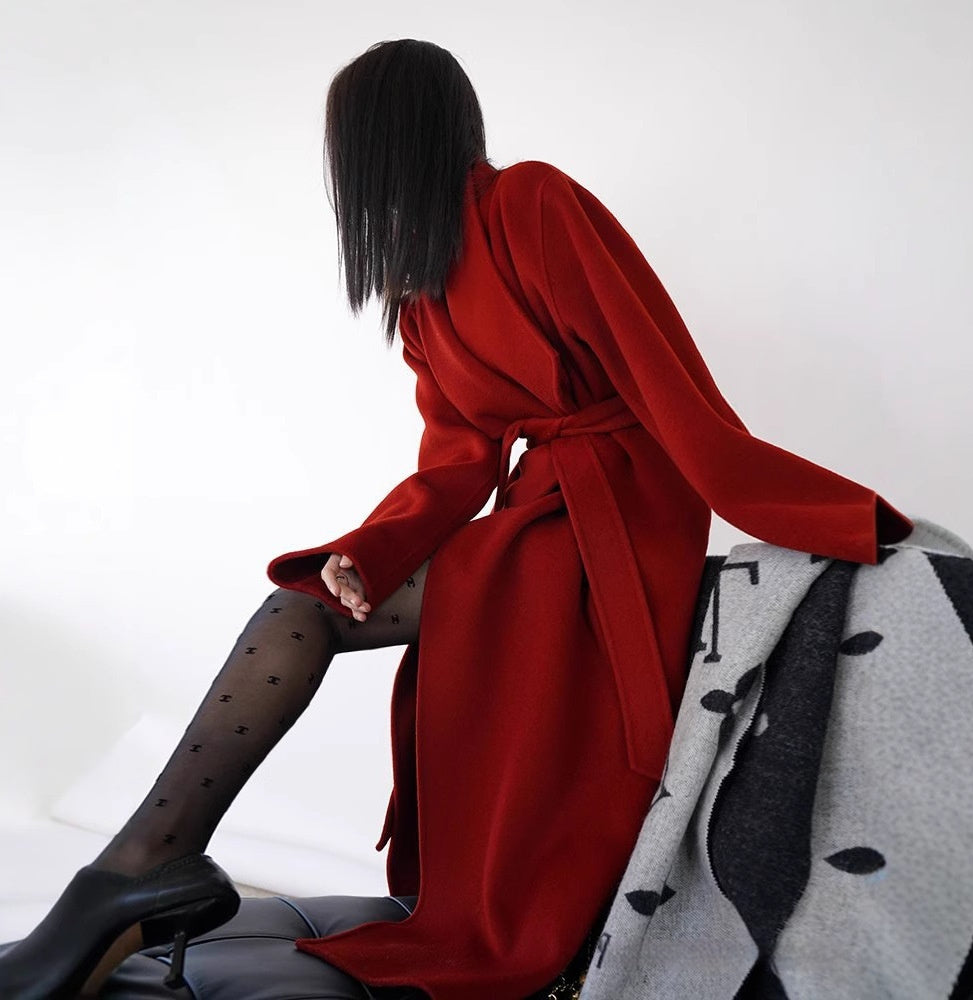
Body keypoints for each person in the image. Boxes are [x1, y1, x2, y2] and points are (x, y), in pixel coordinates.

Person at [0, 37, 914, 1000]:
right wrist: (366, 552)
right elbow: (456, 463)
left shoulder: (534, 203)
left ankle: (137, 870)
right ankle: (142, 866)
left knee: (311, 615)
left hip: (620, 514)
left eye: (346, 142)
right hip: (534, 517)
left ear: (387, 136)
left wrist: (833, 515)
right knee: (304, 604)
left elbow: (667, 384)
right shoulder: (421, 293)